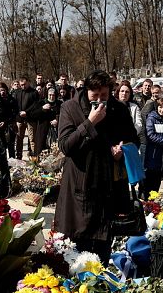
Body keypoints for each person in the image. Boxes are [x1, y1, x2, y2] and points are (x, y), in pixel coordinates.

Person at [55, 70, 138, 262]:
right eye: (95, 96)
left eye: (104, 96)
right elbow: (66, 146)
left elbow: (132, 139)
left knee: (103, 248)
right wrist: (90, 122)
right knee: (76, 250)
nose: (100, 100)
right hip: (80, 185)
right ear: (87, 91)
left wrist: (122, 149)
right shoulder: (70, 107)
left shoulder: (119, 109)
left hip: (109, 186)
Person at [12, 77, 40, 158]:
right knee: (19, 139)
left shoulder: (34, 92)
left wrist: (26, 112)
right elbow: (15, 105)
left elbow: (35, 105)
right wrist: (19, 113)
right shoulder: (18, 92)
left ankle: (35, 158)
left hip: (30, 119)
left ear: (28, 82)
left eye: (24, 84)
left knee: (32, 140)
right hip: (20, 119)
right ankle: (19, 157)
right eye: (21, 85)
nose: (23, 86)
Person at [117, 80, 144, 148]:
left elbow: (139, 124)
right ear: (118, 92)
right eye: (122, 91)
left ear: (130, 94)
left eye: (127, 92)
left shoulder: (134, 107)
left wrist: (130, 135)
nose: (124, 93)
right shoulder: (112, 106)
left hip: (130, 141)